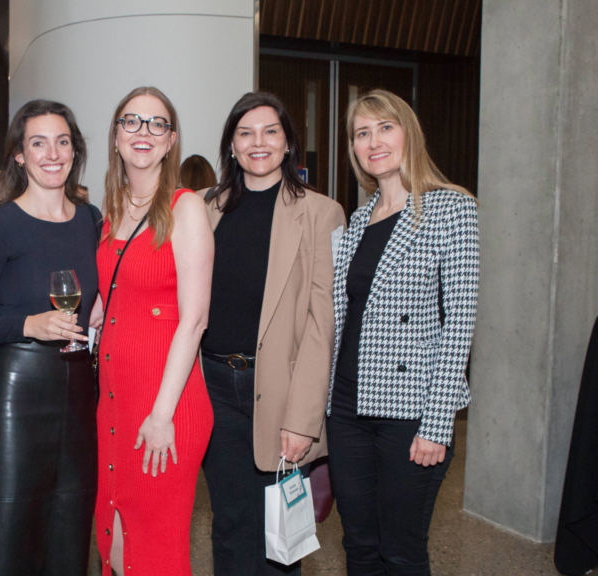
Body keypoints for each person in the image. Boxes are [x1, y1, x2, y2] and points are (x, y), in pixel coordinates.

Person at [328, 89, 479, 575]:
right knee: (360, 547)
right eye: (362, 133)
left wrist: (438, 423)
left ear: (408, 133)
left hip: (410, 414)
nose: (374, 142)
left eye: (385, 128)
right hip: (347, 411)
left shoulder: (451, 209)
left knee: (402, 552)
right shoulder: (355, 222)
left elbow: (460, 323)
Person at [199, 92, 345, 576]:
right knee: (229, 523)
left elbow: (322, 325)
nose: (257, 142)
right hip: (214, 387)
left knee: (279, 535)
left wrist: (304, 419)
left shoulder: (322, 213)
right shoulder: (205, 209)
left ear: (287, 144)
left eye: (270, 132)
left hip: (281, 392)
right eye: (245, 133)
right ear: (232, 146)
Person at [0, 100, 100, 576]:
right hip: (14, 395)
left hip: (79, 393)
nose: (52, 153)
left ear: (75, 150)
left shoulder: (91, 221)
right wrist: (29, 325)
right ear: (20, 155)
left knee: (69, 536)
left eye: (62, 141)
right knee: (7, 535)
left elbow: (103, 298)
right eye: (38, 142)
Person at [95, 86, 214, 576]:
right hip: (115, 401)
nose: (143, 132)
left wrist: (162, 414)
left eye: (156, 123)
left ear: (170, 141)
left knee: (157, 551)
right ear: (117, 137)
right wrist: (105, 303)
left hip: (167, 402)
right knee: (116, 542)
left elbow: (195, 318)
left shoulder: (185, 208)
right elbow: (125, 280)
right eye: (132, 121)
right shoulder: (113, 207)